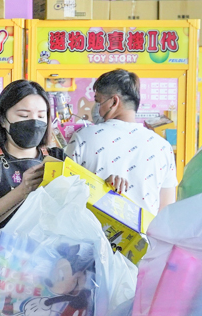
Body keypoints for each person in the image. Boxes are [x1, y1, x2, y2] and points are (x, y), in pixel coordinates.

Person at [0, 80, 68, 246]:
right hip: (2, 262)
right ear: (3, 120)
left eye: (41, 116)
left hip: (48, 263)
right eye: (24, 116)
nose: (34, 122)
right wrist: (23, 190)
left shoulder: (58, 158)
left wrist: (109, 187)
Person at [65, 69, 177, 214]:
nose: (96, 109)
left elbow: (65, 192)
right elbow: (166, 209)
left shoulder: (83, 137)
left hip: (92, 234)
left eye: (98, 101)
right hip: (145, 235)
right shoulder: (163, 147)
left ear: (114, 101)